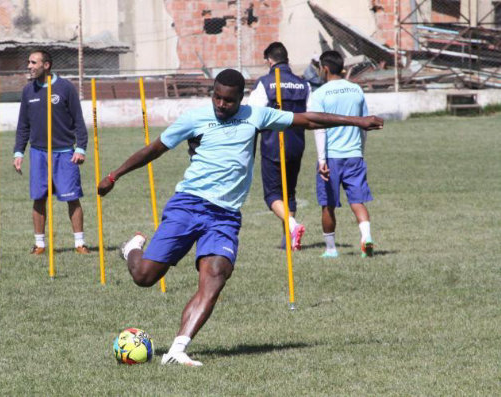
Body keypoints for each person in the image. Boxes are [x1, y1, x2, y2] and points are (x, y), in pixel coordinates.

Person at [97, 69, 383, 366]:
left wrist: (358, 121)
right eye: (217, 98)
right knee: (145, 277)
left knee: (216, 276)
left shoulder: (255, 116)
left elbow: (308, 120)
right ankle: (132, 249)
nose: (221, 105)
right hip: (188, 204)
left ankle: (178, 349)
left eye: (228, 100)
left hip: (225, 216)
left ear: (240, 99)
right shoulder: (194, 118)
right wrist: (114, 175)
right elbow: (154, 149)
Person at [13, 49, 90, 255]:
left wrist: (81, 147)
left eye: (33, 62)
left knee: (72, 197)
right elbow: (23, 125)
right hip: (38, 153)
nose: (29, 66)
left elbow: (78, 121)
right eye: (28, 62)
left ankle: (79, 243)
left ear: (46, 65)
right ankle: (39, 244)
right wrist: (18, 152)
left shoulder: (65, 88)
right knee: (39, 198)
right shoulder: (28, 91)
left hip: (65, 153)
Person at [309, 50, 375, 259]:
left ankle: (330, 249)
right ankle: (366, 237)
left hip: (331, 157)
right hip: (354, 154)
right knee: (357, 201)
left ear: (325, 68)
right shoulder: (356, 90)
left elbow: (319, 128)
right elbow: (365, 124)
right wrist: (360, 151)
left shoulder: (319, 94)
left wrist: (321, 160)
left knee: (328, 204)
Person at [248, 42, 310, 251]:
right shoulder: (303, 84)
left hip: (273, 145)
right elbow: (309, 113)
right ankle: (289, 240)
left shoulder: (265, 83)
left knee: (272, 195)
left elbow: (252, 114)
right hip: (297, 144)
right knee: (289, 193)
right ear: (287, 59)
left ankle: (292, 225)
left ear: (269, 60)